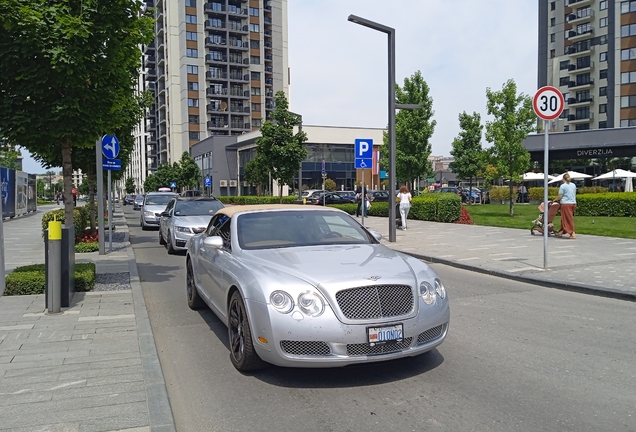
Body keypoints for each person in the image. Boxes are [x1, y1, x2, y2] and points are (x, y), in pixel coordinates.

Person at [554, 173, 577, 239]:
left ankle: (572, 233)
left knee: (567, 219)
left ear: (563, 179)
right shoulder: (573, 185)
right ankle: (561, 232)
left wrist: (555, 200)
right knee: (565, 218)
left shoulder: (563, 186)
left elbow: (560, 196)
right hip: (573, 203)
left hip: (566, 204)